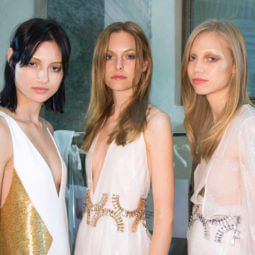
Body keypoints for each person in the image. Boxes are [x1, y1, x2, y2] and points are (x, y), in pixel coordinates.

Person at [74, 21, 174, 255]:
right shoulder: (98, 122)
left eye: (129, 56)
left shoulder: (155, 122)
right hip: (86, 243)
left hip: (127, 246)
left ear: (144, 65)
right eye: (109, 56)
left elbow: (165, 219)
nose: (118, 65)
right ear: (100, 64)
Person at [181, 19, 255, 254]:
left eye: (211, 58)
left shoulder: (247, 125)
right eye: (192, 58)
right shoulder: (205, 127)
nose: (197, 68)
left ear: (235, 66)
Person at [0, 18, 71, 254]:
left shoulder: (47, 129)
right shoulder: (3, 130)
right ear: (12, 59)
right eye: (33, 64)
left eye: (54, 68)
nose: (44, 77)